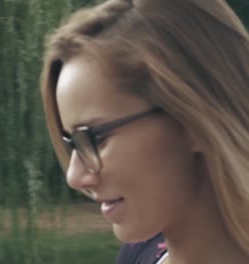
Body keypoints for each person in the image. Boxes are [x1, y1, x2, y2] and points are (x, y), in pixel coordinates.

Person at [40, 0, 249, 263]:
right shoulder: (137, 254)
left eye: (96, 138)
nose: (74, 176)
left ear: (193, 120)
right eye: (73, 144)